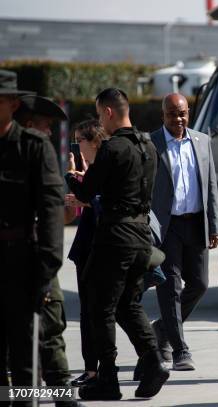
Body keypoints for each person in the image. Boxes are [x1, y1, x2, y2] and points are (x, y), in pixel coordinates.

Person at [65, 88, 169, 400]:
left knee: (99, 307)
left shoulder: (113, 148)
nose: (100, 120)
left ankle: (107, 380)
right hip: (140, 236)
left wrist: (73, 177)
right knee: (127, 304)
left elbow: (87, 192)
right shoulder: (148, 146)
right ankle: (153, 362)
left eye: (99, 115)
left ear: (109, 112)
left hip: (115, 237)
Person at [0, 70, 64, 404]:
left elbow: (52, 212)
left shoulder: (34, 148)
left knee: (25, 361)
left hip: (21, 264)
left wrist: (45, 268)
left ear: (12, 104)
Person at [13, 94, 81, 406]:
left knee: (51, 330)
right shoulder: (22, 154)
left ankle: (63, 398)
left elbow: (59, 215)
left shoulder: (40, 156)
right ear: (29, 124)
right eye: (46, 125)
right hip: (16, 254)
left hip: (38, 254)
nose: (51, 133)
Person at [150, 93, 218, 370]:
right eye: (171, 114)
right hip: (166, 227)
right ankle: (179, 349)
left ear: (188, 113)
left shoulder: (202, 141)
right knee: (170, 287)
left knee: (200, 284)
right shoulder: (151, 143)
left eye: (182, 114)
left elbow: (211, 185)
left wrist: (215, 225)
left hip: (195, 224)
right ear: (163, 115)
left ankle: (163, 328)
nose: (177, 119)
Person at [63, 119, 108, 387]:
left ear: (93, 142)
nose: (76, 146)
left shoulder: (106, 165)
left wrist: (77, 184)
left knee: (106, 311)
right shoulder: (89, 170)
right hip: (86, 248)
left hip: (104, 247)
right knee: (88, 312)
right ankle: (92, 369)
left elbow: (104, 201)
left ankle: (147, 355)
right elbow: (74, 211)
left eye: (80, 140)